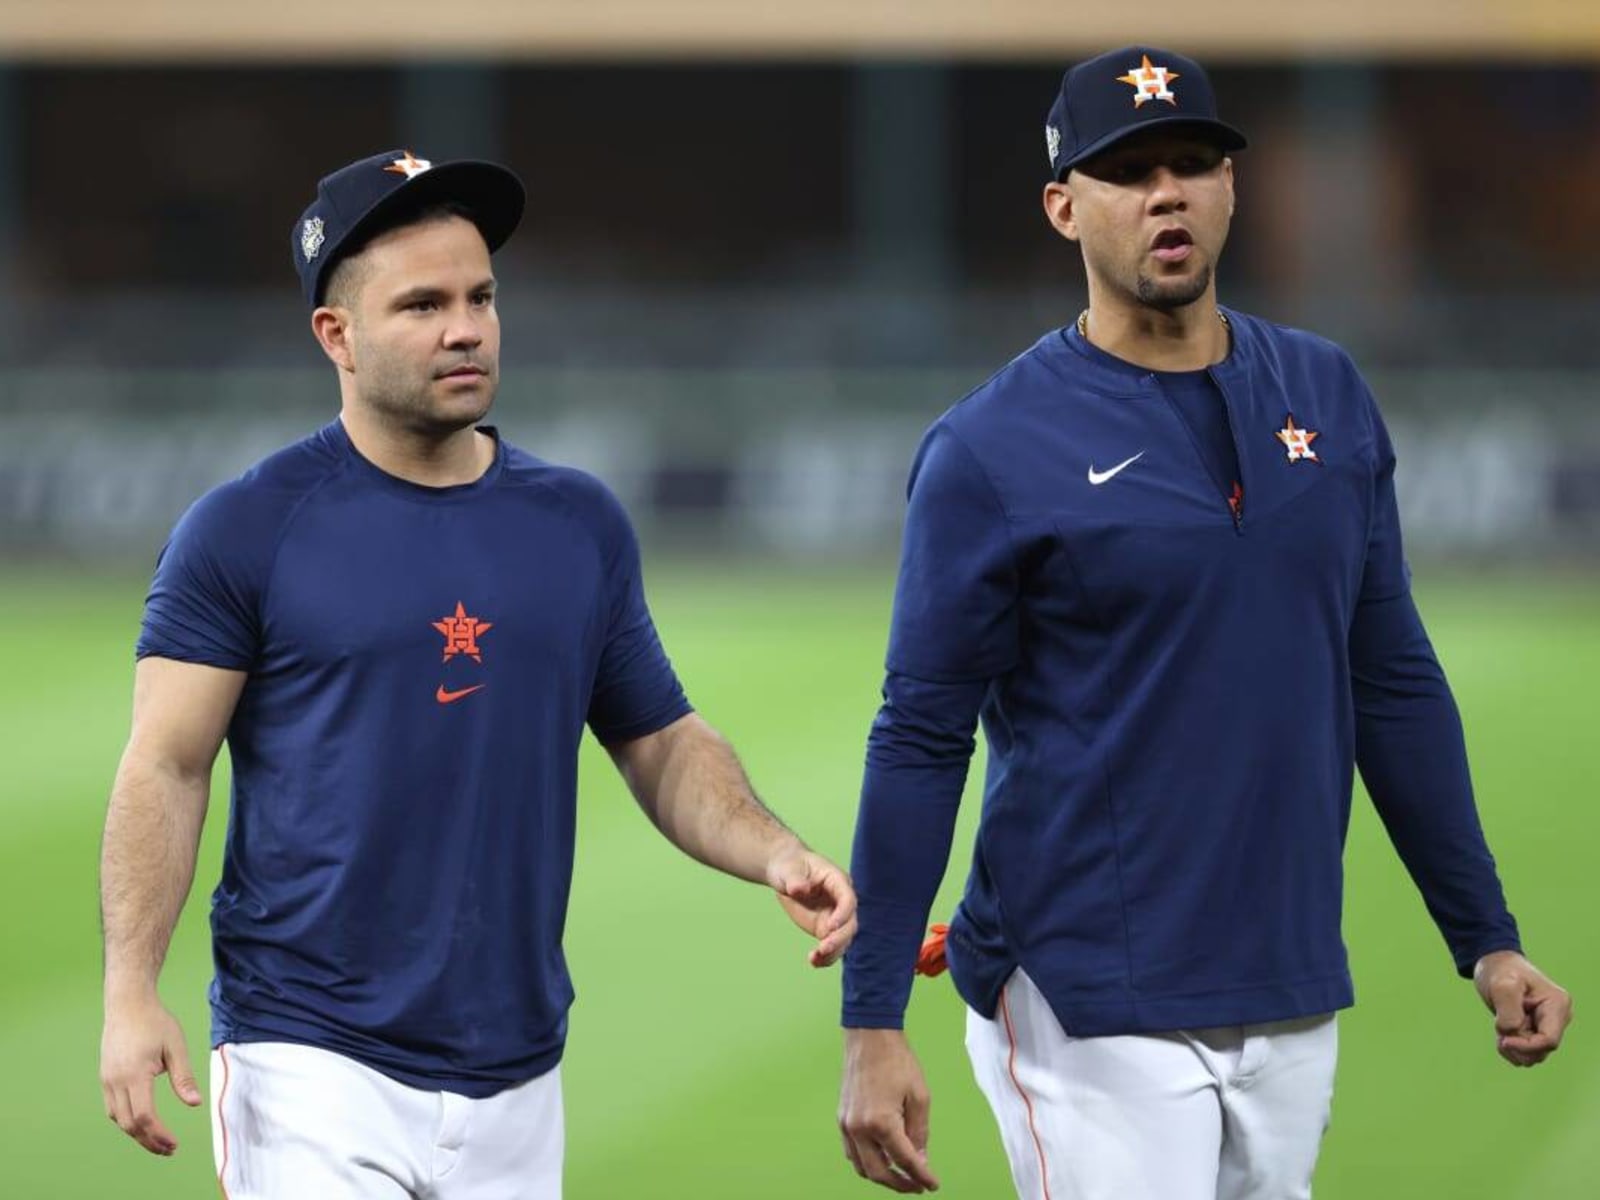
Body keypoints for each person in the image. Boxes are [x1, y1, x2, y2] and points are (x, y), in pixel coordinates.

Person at [835, 46, 1572, 1200]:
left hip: (1285, 975)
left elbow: (1387, 677)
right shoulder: (988, 450)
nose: (1166, 192)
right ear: (1062, 206)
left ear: (1233, 187)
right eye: (1127, 171)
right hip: (1082, 985)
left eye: (1192, 162)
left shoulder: (1325, 394)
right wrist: (871, 1017)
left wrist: (1484, 936)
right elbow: (919, 734)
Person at [98, 149, 856, 1199]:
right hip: (309, 1058)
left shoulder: (576, 522)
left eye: (480, 297)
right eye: (421, 305)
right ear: (337, 335)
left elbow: (660, 740)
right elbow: (166, 767)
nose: (465, 327)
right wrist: (129, 991)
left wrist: (775, 851)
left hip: (516, 1072)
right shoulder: (244, 529)